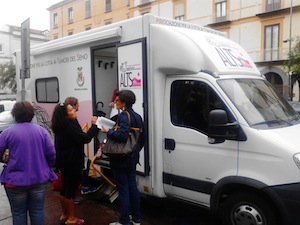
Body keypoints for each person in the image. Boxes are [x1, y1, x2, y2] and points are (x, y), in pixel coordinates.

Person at [0, 101, 57, 225]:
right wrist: (46, 166)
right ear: (32, 114)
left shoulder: (7, 133)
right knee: (38, 211)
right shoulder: (42, 132)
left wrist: (4, 159)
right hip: (39, 179)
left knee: (18, 213)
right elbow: (51, 153)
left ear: (14, 114)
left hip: (14, 181)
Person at [101, 90, 145, 225]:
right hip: (131, 158)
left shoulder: (124, 116)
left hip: (120, 159)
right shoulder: (137, 116)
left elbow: (122, 136)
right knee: (132, 187)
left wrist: (108, 132)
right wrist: (134, 152)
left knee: (123, 189)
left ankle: (124, 221)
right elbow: (142, 138)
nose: (115, 102)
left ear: (124, 103)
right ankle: (136, 219)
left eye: (117, 100)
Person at [51, 102, 98, 225]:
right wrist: (94, 126)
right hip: (72, 162)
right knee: (71, 190)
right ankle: (72, 218)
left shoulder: (61, 125)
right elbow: (85, 138)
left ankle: (65, 214)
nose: (74, 111)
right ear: (65, 115)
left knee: (64, 188)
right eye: (71, 110)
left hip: (63, 161)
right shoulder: (69, 126)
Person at [64, 97, 101, 196]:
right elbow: (84, 138)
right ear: (73, 107)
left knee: (86, 163)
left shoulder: (64, 121)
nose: (79, 106)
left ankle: (81, 187)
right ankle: (83, 188)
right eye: (77, 104)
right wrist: (94, 126)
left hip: (72, 153)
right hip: (74, 154)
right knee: (83, 166)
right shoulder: (70, 122)